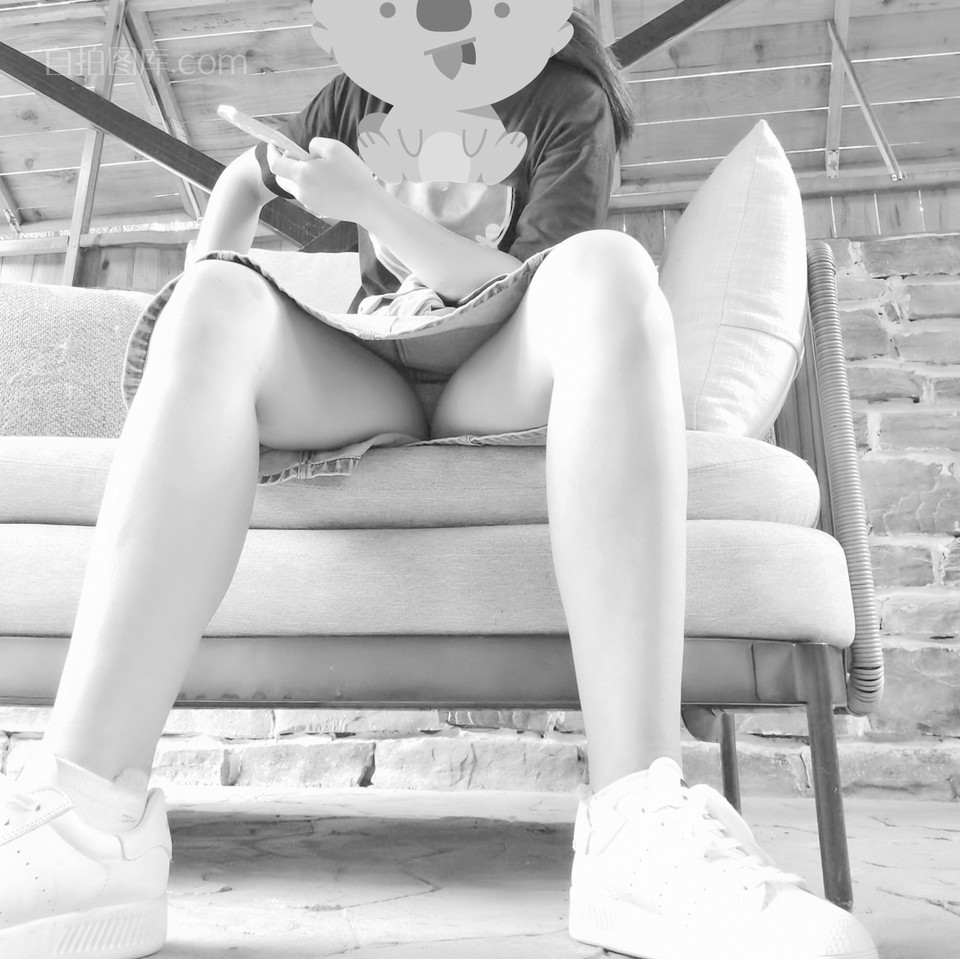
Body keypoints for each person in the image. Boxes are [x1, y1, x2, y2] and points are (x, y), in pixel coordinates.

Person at [0, 10, 877, 959]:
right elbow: (254, 174)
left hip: (494, 364)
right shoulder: (360, 89)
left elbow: (526, 279)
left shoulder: (565, 100)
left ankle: (638, 822)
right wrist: (230, 232)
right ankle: (89, 823)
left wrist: (370, 206)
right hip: (371, 365)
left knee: (611, 267)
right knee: (210, 298)